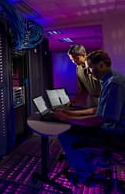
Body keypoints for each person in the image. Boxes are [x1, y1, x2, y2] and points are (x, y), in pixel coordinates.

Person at [53, 50, 125, 184]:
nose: (89, 73)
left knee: (66, 135)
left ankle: (84, 175)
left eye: (90, 69)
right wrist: (70, 114)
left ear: (101, 65)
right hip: (114, 128)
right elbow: (98, 109)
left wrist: (67, 119)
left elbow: (100, 119)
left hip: (117, 133)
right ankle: (96, 163)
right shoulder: (110, 79)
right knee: (75, 127)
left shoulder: (113, 83)